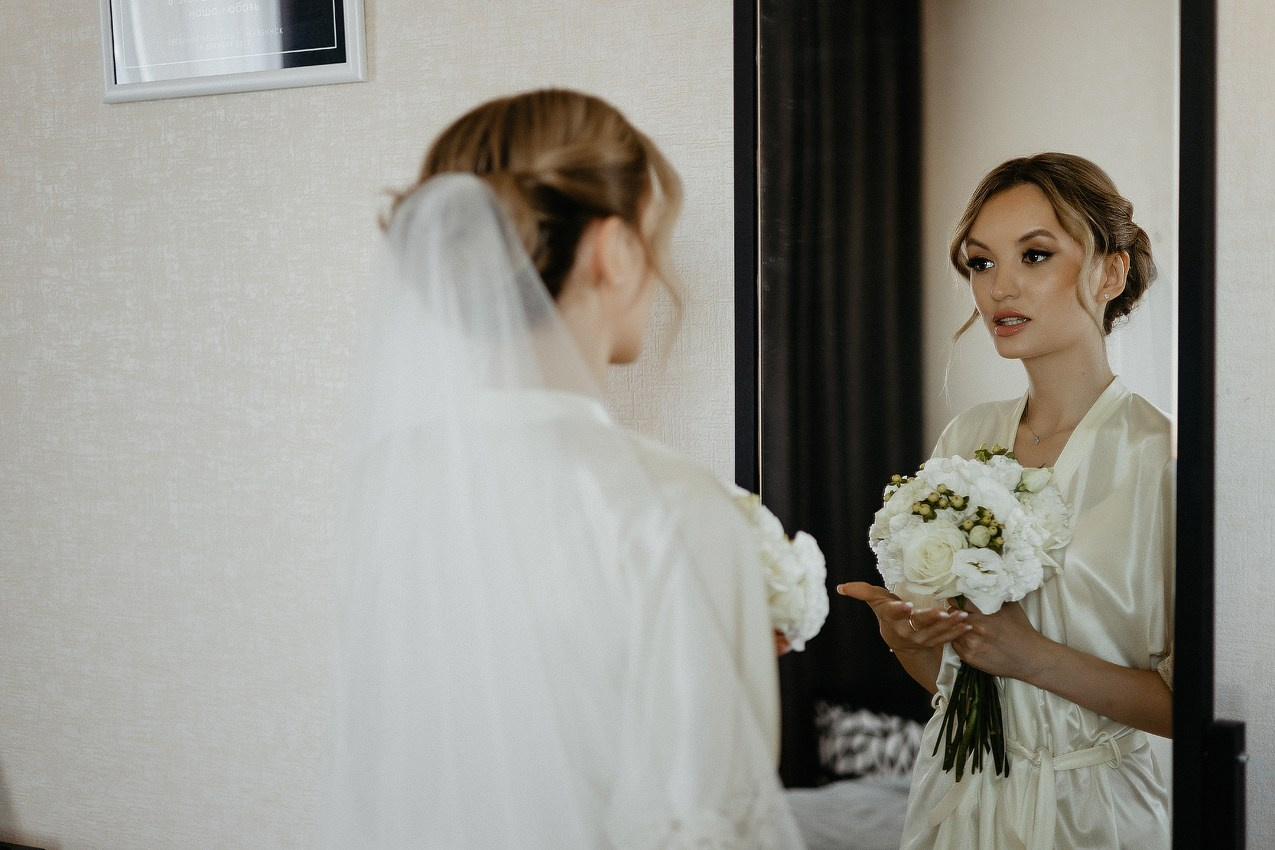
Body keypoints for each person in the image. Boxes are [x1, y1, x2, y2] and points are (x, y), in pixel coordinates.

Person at [314, 89, 805, 848]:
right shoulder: (667, 505)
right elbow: (711, 817)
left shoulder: (387, 477)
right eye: (654, 237)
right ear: (611, 250)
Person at [839, 153, 1173, 849]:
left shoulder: (1159, 458)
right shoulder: (965, 437)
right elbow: (955, 681)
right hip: (957, 797)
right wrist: (905, 640)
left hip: (1093, 815)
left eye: (1034, 254)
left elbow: (1192, 710)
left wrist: (1031, 655)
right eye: (981, 263)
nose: (1000, 287)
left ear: (1109, 273)